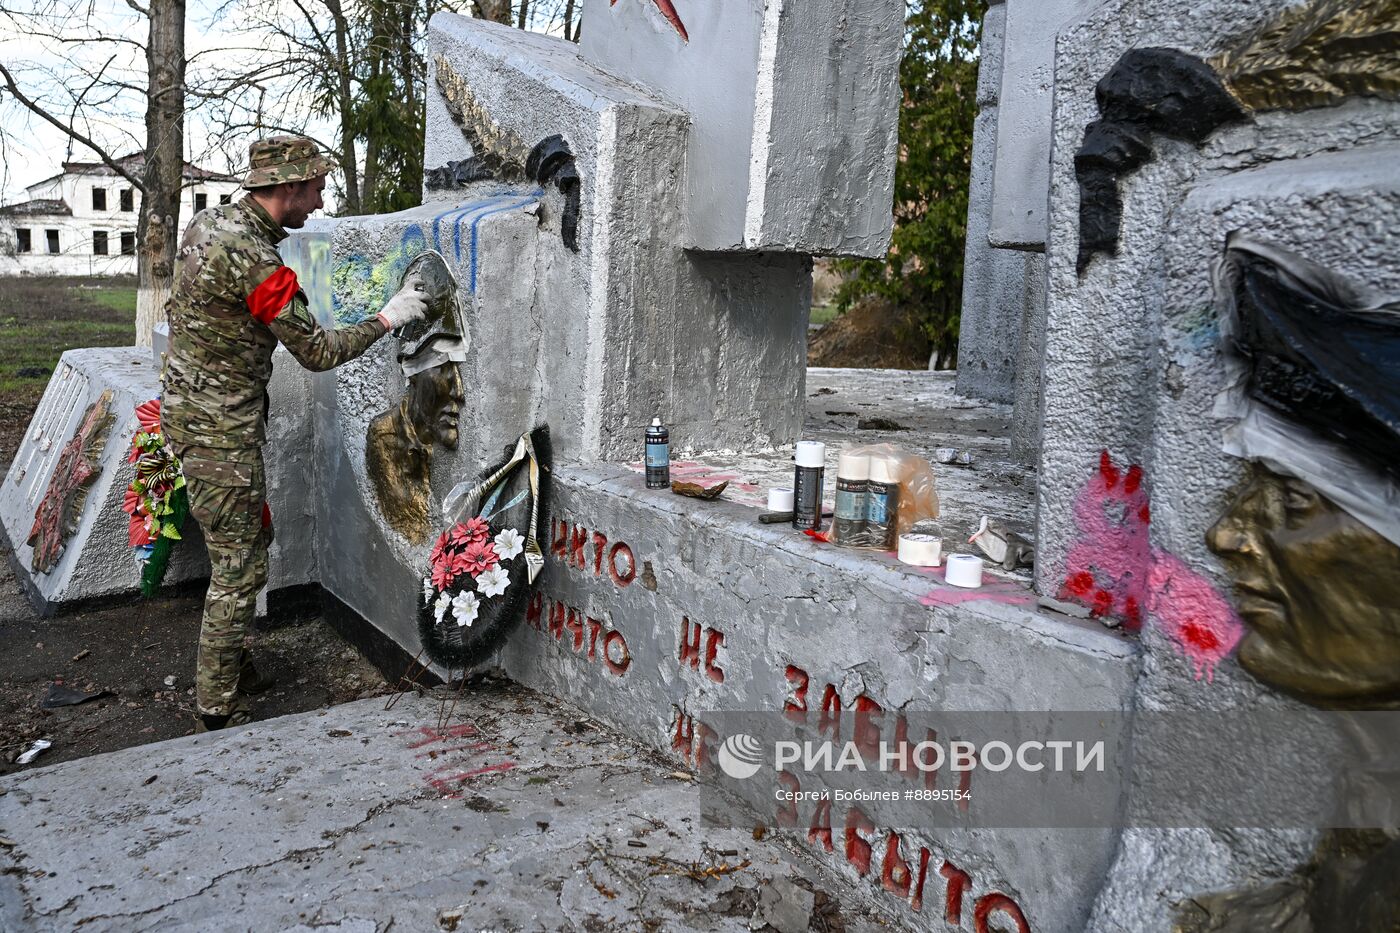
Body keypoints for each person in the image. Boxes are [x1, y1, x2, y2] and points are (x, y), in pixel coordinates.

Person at [160, 135, 427, 731]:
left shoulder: (211, 225)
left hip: (195, 419)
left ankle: (231, 665)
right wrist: (389, 317)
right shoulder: (256, 261)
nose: (320, 200)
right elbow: (317, 350)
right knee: (239, 566)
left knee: (250, 544)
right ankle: (215, 707)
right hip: (220, 435)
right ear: (286, 188)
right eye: (314, 188)